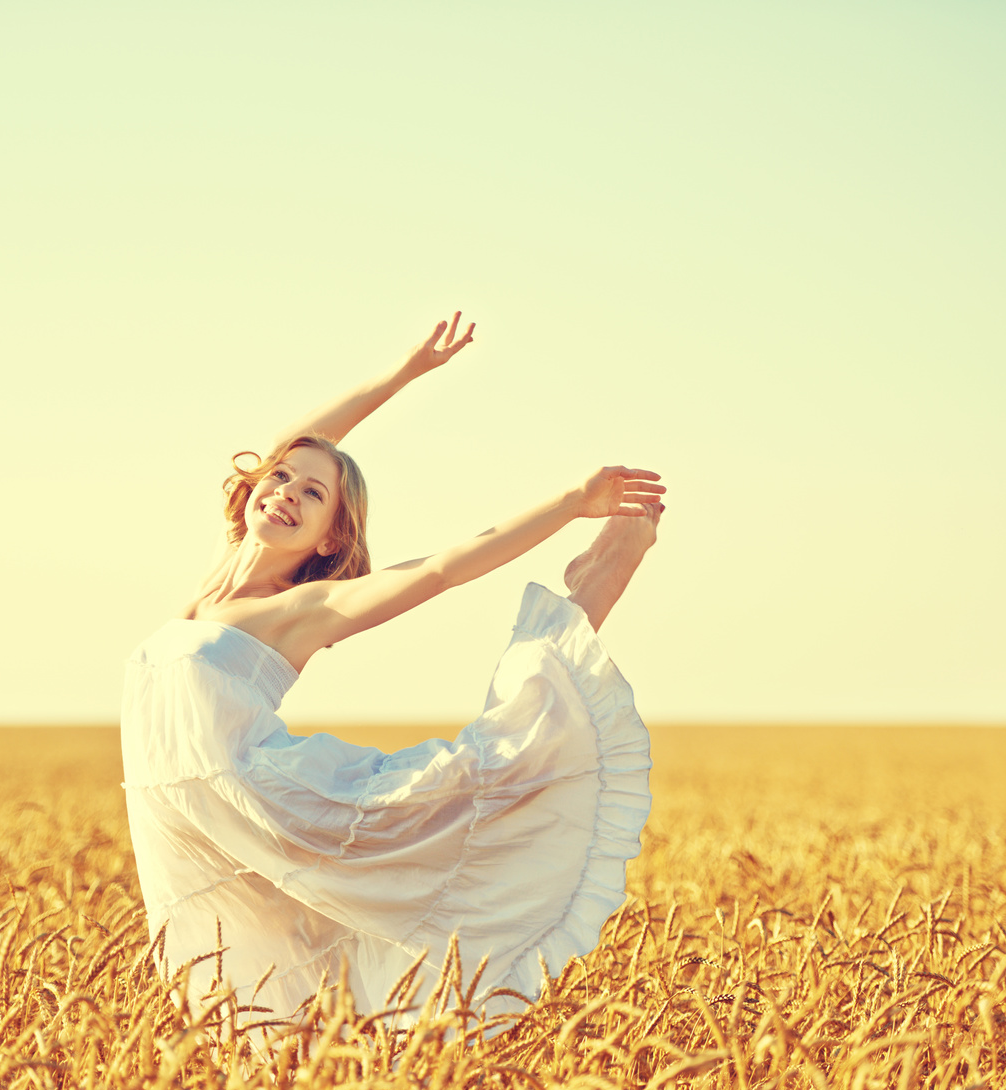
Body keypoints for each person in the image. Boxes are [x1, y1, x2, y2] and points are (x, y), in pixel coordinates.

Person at [120, 313, 665, 1027]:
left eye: (312, 495)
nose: (286, 490)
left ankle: (593, 586)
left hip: (267, 803)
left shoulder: (306, 608)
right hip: (190, 824)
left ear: (329, 538)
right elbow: (305, 443)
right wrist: (404, 372)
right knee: (259, 986)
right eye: (280, 478)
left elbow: (440, 570)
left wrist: (570, 503)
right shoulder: (209, 589)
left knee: (472, 787)